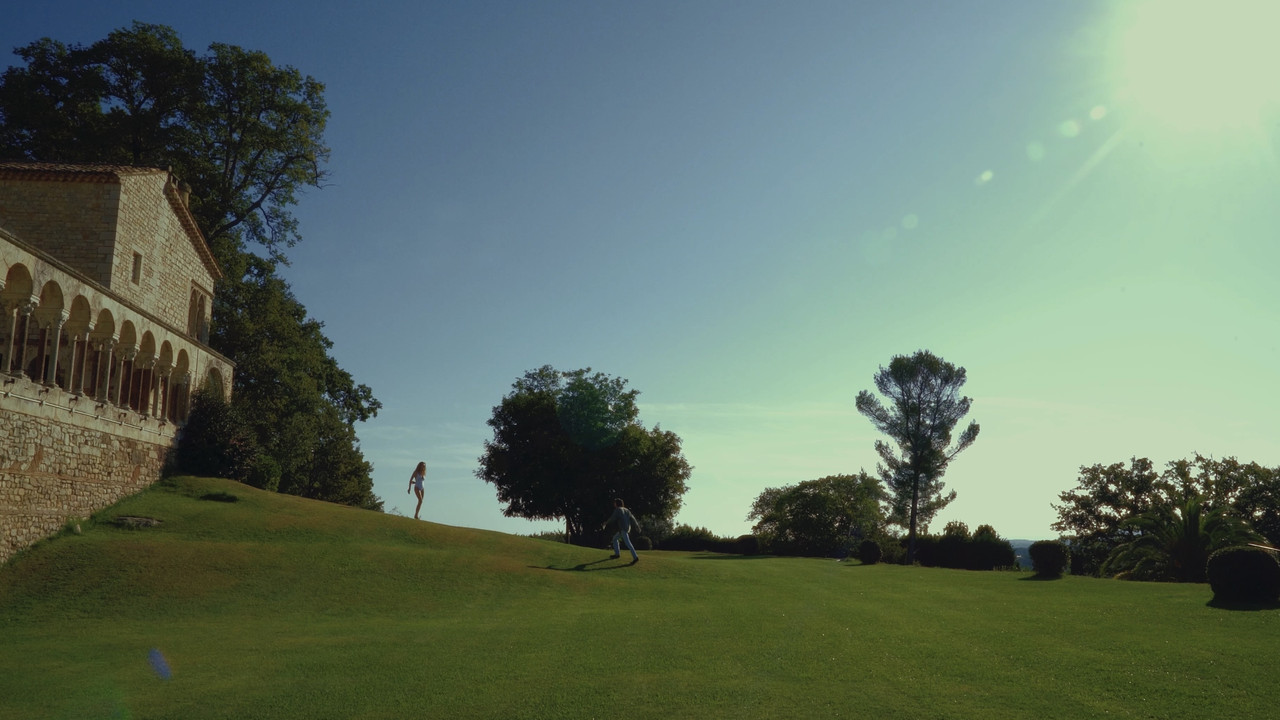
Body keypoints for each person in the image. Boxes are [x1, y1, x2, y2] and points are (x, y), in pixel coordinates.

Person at [602, 498, 641, 562]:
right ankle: (617, 554)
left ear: (617, 503)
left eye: (614, 503)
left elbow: (612, 518)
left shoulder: (618, 510)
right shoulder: (626, 510)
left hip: (623, 529)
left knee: (628, 543)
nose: (614, 504)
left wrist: (605, 523)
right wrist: (637, 526)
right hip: (625, 529)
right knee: (614, 539)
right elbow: (633, 518)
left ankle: (635, 557)